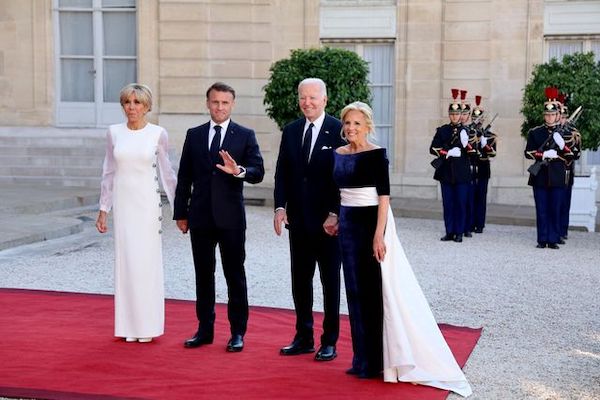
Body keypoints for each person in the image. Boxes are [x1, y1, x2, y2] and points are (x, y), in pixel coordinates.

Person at [332, 101, 472, 397]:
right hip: (347, 226)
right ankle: (361, 360)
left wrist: (378, 235)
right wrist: (335, 217)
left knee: (374, 293)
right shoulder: (339, 154)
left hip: (371, 223)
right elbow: (339, 193)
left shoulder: (377, 155)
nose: (351, 128)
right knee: (354, 293)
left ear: (368, 126)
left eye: (357, 123)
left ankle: (379, 361)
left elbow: (384, 197)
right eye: (347, 123)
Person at [173, 82, 264, 352]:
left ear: (232, 104)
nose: (220, 107)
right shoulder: (195, 134)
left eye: (225, 103)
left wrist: (239, 171)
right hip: (200, 217)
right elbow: (184, 176)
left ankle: (237, 332)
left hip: (231, 219)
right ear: (208, 103)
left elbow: (258, 172)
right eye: (215, 102)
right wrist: (180, 212)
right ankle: (205, 329)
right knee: (204, 275)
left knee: (234, 274)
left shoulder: (245, 135)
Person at [96, 83, 177, 343]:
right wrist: (103, 208)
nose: (132, 107)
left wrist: (180, 210)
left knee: (146, 265)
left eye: (137, 103)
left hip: (146, 207)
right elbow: (108, 171)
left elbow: (167, 173)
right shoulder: (113, 133)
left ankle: (148, 327)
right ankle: (128, 328)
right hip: (124, 205)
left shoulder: (158, 134)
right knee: (126, 263)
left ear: (147, 106)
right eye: (127, 102)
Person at [273, 77, 344, 361]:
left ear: (325, 100)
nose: (308, 103)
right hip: (298, 221)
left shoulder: (339, 129)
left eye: (313, 98)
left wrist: (335, 212)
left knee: (330, 284)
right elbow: (282, 172)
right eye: (303, 97)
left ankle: (330, 341)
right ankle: (303, 337)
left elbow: (344, 176)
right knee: (300, 281)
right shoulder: (290, 131)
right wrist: (280, 207)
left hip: (328, 224)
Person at [524, 87, 574, 249]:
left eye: (553, 114)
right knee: (542, 209)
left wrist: (562, 146)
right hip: (540, 175)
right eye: (547, 114)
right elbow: (528, 153)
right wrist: (544, 155)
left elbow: (571, 156)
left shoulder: (565, 134)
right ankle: (542, 239)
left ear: (558, 115)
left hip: (558, 175)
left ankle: (552, 239)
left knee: (555, 208)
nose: (550, 117)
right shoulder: (535, 133)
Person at [429, 88, 473, 243]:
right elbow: (433, 148)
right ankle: (449, 231)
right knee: (448, 204)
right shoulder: (443, 130)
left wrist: (466, 144)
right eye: (452, 114)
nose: (455, 116)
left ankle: (459, 232)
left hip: (462, 173)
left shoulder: (467, 131)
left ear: (461, 115)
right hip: (446, 172)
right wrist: (447, 152)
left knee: (461, 203)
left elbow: (473, 153)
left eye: (457, 114)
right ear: (449, 115)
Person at [471, 95, 497, 233]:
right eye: (474, 119)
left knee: (481, 197)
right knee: (470, 197)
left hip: (482, 169)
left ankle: (479, 224)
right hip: (470, 169)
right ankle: (469, 222)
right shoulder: (468, 134)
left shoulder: (490, 136)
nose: (477, 122)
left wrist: (484, 144)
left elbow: (493, 154)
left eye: (479, 119)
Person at [557, 93, 581, 241]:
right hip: (553, 171)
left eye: (565, 118)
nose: (563, 120)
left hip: (567, 171)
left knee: (565, 202)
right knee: (555, 203)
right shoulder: (553, 133)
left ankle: (562, 230)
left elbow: (576, 154)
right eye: (561, 117)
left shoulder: (574, 133)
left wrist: (566, 151)